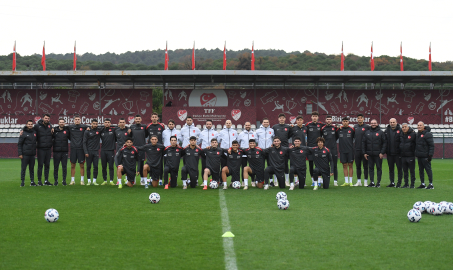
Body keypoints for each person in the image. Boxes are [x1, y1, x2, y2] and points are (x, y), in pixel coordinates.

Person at [362, 119, 386, 188]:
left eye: (374, 123)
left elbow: (384, 143)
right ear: (370, 124)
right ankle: (372, 182)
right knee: (371, 168)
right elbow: (363, 143)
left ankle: (378, 183)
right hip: (369, 154)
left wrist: (382, 152)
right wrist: (364, 153)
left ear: (377, 124)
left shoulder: (381, 132)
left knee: (379, 168)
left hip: (378, 154)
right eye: (372, 123)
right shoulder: (367, 132)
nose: (373, 124)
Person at [305, 111, 325, 186]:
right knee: (310, 164)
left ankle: (319, 180)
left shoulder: (321, 125)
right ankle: (313, 180)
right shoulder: (307, 125)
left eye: (316, 116)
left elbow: (328, 127)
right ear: (311, 117)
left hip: (318, 148)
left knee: (318, 164)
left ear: (318, 117)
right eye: (313, 116)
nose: (314, 117)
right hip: (310, 148)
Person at [272, 113, 292, 186]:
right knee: (275, 164)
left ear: (285, 119)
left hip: (285, 148)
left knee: (286, 164)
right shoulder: (274, 127)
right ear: (278, 119)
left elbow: (289, 136)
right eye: (280, 118)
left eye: (283, 118)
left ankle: (287, 181)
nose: (281, 119)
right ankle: (275, 181)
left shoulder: (288, 127)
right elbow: (272, 136)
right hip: (276, 148)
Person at [69, 115, 89, 185]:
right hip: (73, 148)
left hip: (81, 149)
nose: (77, 120)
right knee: (72, 165)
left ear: (80, 120)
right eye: (76, 119)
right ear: (73, 120)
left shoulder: (84, 127)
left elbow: (91, 127)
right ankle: (72, 180)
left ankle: (82, 180)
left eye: (78, 119)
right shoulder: (70, 127)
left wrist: (89, 128)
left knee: (82, 165)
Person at [34, 114, 53, 186]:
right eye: (46, 118)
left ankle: (46, 180)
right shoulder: (37, 126)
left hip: (48, 148)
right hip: (40, 148)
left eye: (48, 118)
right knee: (40, 165)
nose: (47, 119)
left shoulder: (50, 126)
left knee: (47, 165)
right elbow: (30, 130)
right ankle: (39, 181)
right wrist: (22, 130)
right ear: (43, 118)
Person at [129, 114, 148, 185]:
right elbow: (130, 136)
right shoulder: (132, 127)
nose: (137, 120)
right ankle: (133, 179)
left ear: (141, 120)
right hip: (133, 148)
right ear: (134, 120)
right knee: (133, 164)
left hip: (142, 148)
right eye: (136, 119)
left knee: (142, 164)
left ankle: (142, 180)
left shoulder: (144, 127)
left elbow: (146, 135)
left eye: (139, 119)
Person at [415, 122, 434, 189]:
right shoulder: (417, 134)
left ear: (423, 126)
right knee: (421, 170)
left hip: (425, 156)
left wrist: (430, 155)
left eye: (420, 125)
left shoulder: (428, 134)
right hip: (419, 156)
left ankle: (431, 184)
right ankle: (422, 184)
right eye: (418, 125)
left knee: (428, 170)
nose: (419, 126)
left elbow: (431, 146)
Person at [18, 120, 37, 187]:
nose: (30, 125)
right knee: (23, 169)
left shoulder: (35, 132)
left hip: (32, 154)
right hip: (25, 154)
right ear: (26, 125)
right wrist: (20, 153)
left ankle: (32, 182)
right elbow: (19, 144)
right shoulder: (23, 133)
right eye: (29, 124)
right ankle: (22, 182)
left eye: (31, 124)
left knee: (31, 169)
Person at [384, 118, 403, 187]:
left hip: (398, 154)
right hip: (389, 154)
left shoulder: (400, 130)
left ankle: (399, 183)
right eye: (391, 122)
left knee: (399, 169)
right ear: (389, 123)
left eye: (393, 122)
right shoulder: (386, 131)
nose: (392, 123)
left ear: (396, 122)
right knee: (391, 169)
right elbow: (385, 142)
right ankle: (392, 182)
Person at [237, 121, 256, 186]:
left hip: (252, 153)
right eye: (246, 125)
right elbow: (238, 143)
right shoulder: (241, 134)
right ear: (244, 126)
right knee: (243, 167)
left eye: (249, 125)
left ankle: (253, 181)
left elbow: (256, 142)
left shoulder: (254, 133)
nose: (247, 126)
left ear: (250, 126)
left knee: (252, 167)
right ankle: (243, 181)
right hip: (243, 154)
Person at [83, 119, 102, 185]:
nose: (95, 125)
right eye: (94, 123)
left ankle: (94, 181)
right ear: (91, 124)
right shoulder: (87, 131)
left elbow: (109, 126)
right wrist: (86, 152)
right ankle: (88, 181)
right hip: (88, 151)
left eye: (96, 124)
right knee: (88, 166)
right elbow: (84, 142)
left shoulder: (99, 130)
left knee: (96, 166)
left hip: (96, 151)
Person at [321, 115, 339, 186]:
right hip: (325, 149)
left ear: (331, 120)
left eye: (330, 119)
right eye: (327, 119)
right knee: (325, 165)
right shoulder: (323, 128)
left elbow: (337, 137)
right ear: (325, 120)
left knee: (334, 165)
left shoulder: (335, 128)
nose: (328, 120)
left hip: (334, 149)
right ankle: (325, 180)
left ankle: (335, 181)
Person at [353, 114, 370, 186]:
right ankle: (359, 181)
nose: (359, 119)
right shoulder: (355, 127)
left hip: (365, 150)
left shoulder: (367, 127)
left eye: (361, 118)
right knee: (358, 166)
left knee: (365, 166)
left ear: (363, 119)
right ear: (357, 119)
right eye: (358, 118)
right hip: (357, 149)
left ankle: (365, 181)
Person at [290, 115, 307, 186]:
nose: (299, 121)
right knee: (294, 164)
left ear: (302, 121)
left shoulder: (305, 128)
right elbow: (288, 136)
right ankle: (296, 181)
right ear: (296, 121)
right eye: (298, 120)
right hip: (295, 149)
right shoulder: (293, 128)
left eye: (301, 120)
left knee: (303, 165)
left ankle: (302, 180)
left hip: (302, 149)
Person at [52, 118, 70, 186]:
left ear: (64, 123)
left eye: (63, 122)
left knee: (64, 167)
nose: (62, 123)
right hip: (56, 152)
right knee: (56, 167)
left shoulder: (67, 130)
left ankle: (64, 181)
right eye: (60, 122)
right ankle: (56, 181)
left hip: (64, 152)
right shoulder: (54, 130)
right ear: (58, 123)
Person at [338, 117, 355, 186]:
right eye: (344, 121)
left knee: (350, 165)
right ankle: (346, 181)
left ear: (348, 122)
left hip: (350, 150)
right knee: (344, 165)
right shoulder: (339, 130)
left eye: (346, 121)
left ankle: (350, 182)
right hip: (342, 150)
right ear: (342, 122)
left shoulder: (352, 129)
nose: (345, 122)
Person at [399, 123, 417, 188]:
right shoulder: (401, 134)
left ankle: (412, 184)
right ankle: (406, 184)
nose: (404, 128)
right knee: (405, 171)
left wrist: (414, 152)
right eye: (403, 127)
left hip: (410, 155)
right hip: (403, 156)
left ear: (408, 127)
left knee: (412, 171)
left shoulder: (413, 134)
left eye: (405, 127)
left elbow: (416, 144)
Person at [100, 119, 116, 186]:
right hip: (103, 151)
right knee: (104, 166)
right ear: (103, 123)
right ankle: (105, 180)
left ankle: (111, 180)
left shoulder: (113, 130)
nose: (107, 123)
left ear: (110, 123)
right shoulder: (101, 130)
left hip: (111, 151)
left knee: (111, 166)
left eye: (108, 122)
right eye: (105, 122)